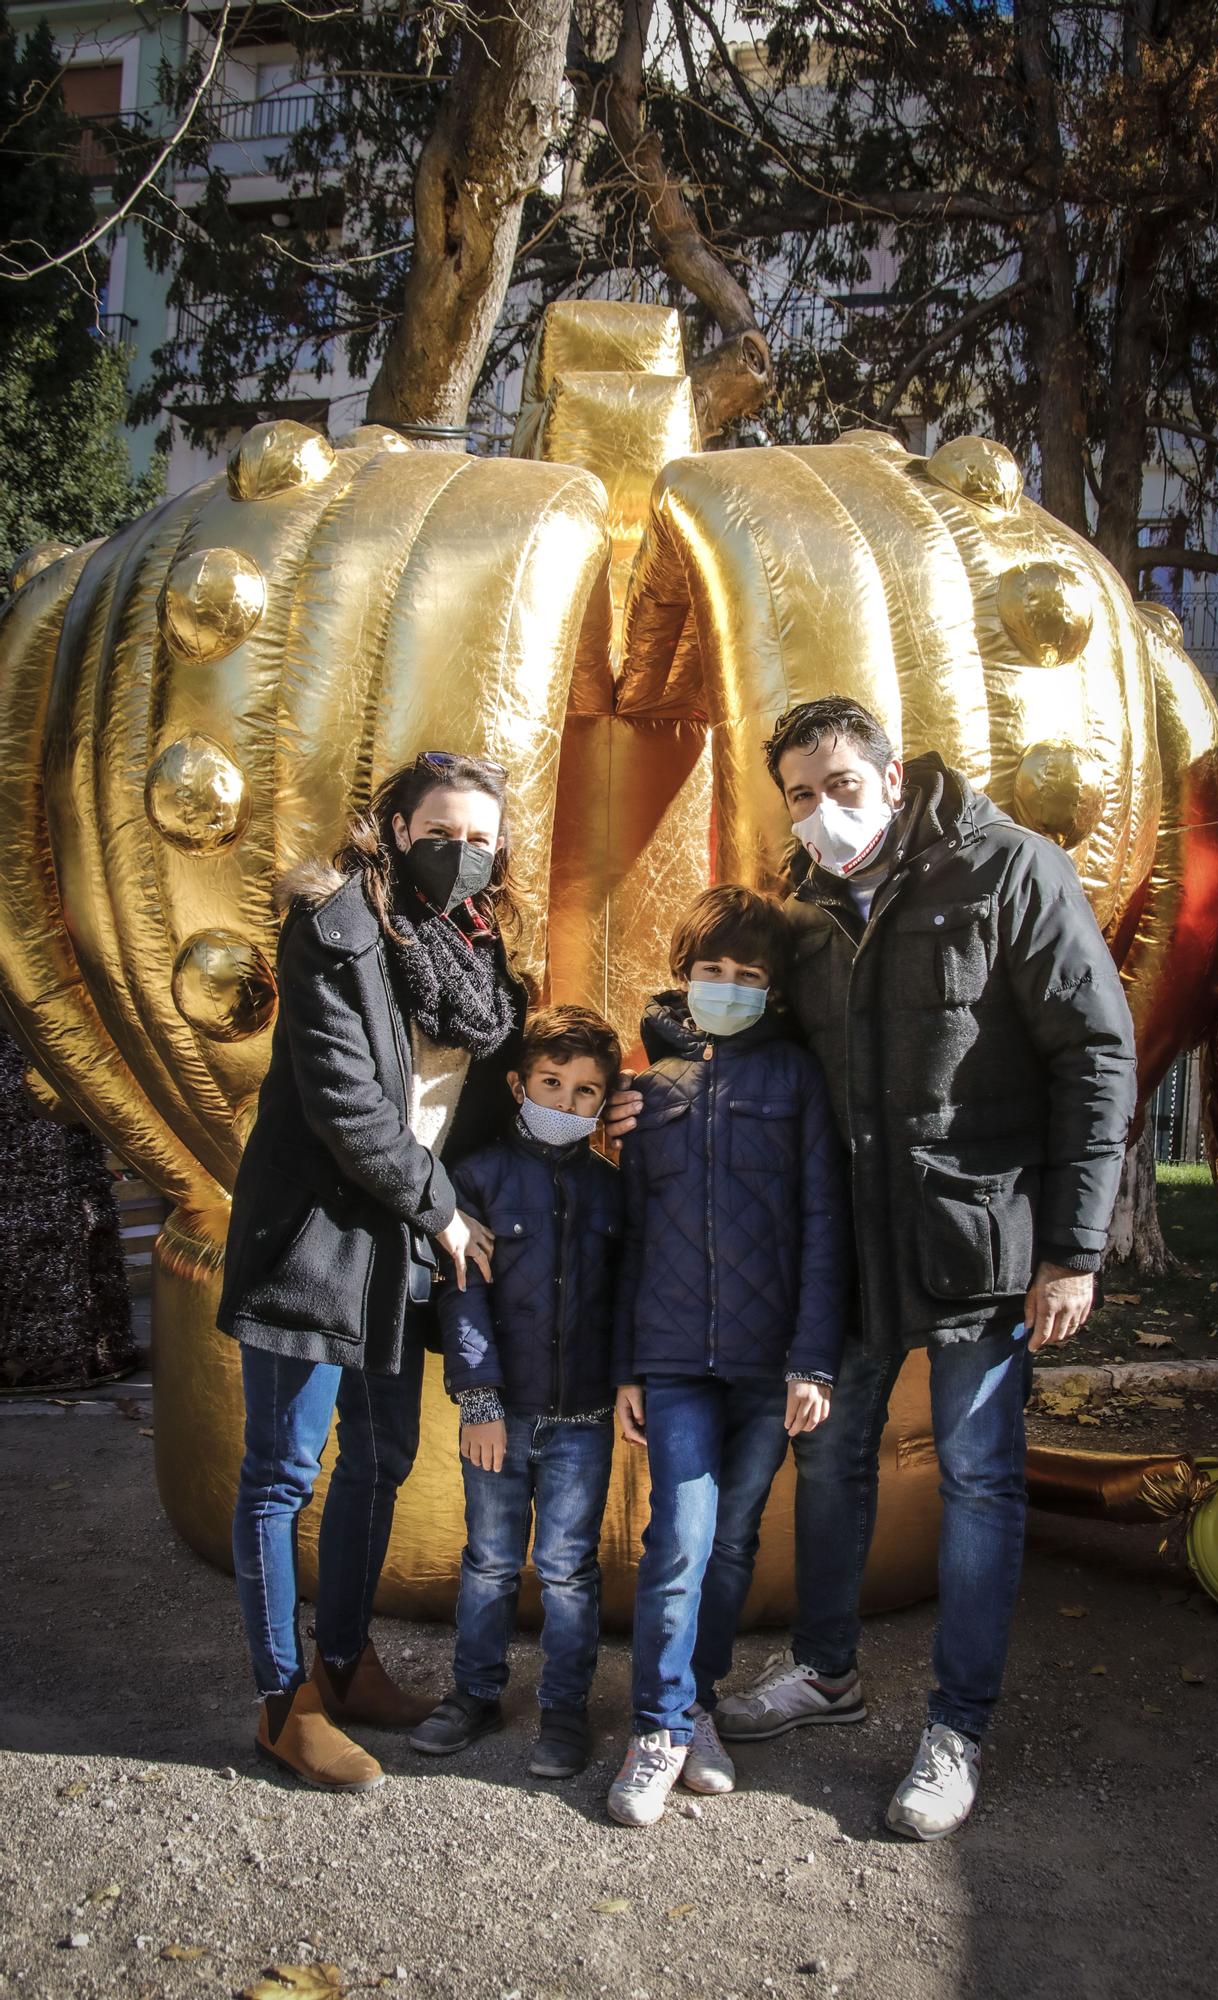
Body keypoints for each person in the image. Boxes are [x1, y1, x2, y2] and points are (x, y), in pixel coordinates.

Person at [608, 697, 1138, 1840]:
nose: (822, 809)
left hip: (978, 1246)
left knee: (980, 1480)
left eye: (840, 782)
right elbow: (740, 1021)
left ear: (893, 775)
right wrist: (656, 1063)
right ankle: (829, 1674)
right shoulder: (805, 916)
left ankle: (955, 1726)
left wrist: (1072, 1247)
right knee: (835, 1462)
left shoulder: (1009, 871)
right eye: (799, 792)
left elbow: (1094, 1052)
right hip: (847, 1249)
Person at [219, 751, 526, 1793]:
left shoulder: (472, 950)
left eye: (484, 836)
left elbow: (470, 1101)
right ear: (395, 827)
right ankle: (282, 1700)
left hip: (397, 1248)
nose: (465, 851)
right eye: (445, 829)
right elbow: (347, 1105)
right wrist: (442, 1210)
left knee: (380, 1455)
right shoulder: (334, 928)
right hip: (313, 1238)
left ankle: (344, 1664)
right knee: (280, 1473)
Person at [605, 885, 847, 1829]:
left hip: (766, 1362)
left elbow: (824, 1224)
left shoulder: (797, 1081)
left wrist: (813, 1361)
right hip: (670, 1362)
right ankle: (657, 1726)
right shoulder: (649, 1090)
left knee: (734, 1541)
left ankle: (700, 1699)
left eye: (748, 976)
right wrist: (626, 1363)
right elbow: (629, 1237)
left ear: (773, 989)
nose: (727, 987)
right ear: (685, 974)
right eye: (712, 971)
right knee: (680, 1539)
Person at [411, 1004, 625, 1781]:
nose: (566, 1103)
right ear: (517, 1084)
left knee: (568, 1570)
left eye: (585, 1093)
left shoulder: (610, 1191)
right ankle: (474, 1694)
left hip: (584, 1418)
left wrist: (625, 1382)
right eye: (551, 1083)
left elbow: (624, 1296)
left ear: (604, 1104)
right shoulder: (477, 1179)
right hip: (501, 1414)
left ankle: (565, 1710)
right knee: (491, 1561)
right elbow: (463, 1295)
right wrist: (480, 1400)